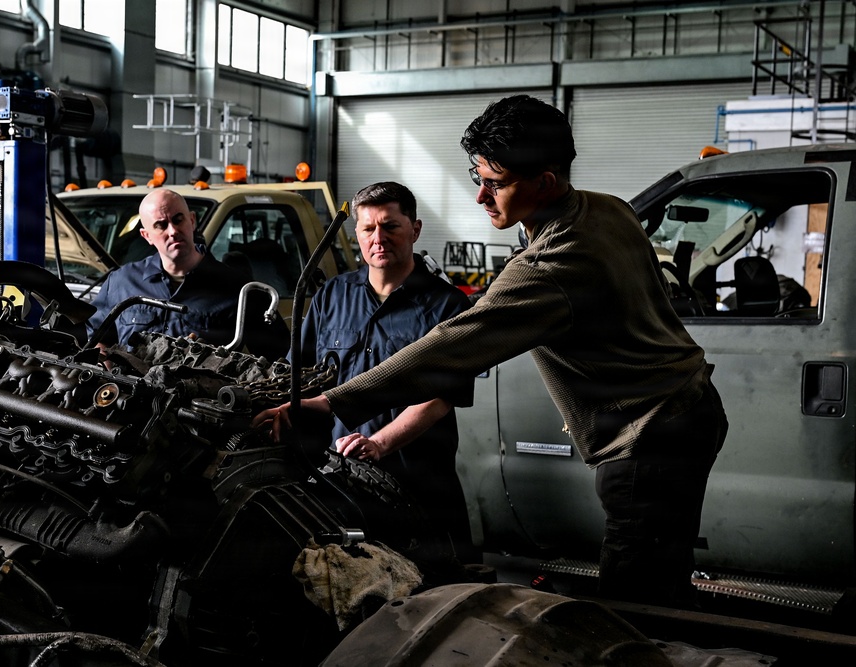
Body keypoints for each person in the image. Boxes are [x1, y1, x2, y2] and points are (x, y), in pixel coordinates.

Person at [257, 95, 727, 607]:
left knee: (637, 603)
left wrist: (330, 403)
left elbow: (450, 348)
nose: (480, 196)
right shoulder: (606, 207)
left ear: (544, 182)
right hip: (689, 407)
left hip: (649, 439)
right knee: (663, 572)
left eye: (495, 183)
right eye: (476, 175)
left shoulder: (550, 265)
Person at [295, 181, 477, 562]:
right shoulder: (331, 297)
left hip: (421, 486)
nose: (379, 238)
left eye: (390, 226)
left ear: (415, 229)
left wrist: (380, 443)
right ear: (356, 234)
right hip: (341, 484)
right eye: (368, 228)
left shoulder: (447, 307)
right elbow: (305, 377)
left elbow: (439, 398)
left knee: (437, 598)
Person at [87, 188, 289, 359]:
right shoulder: (121, 282)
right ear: (146, 235)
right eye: (161, 225)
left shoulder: (239, 289)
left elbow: (279, 357)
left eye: (178, 220)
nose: (173, 231)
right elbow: (95, 339)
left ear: (192, 221)